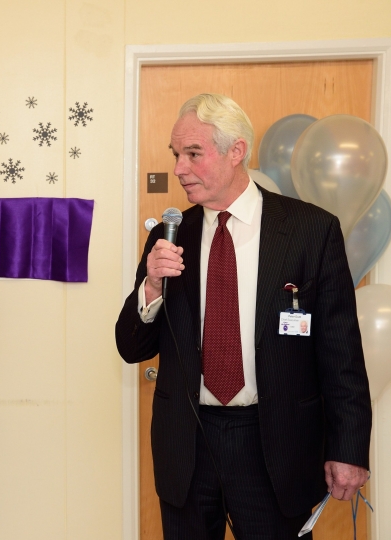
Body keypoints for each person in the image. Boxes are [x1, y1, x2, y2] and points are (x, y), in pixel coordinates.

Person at [115, 94, 371, 539]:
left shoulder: (311, 231)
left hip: (274, 444)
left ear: (236, 151)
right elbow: (131, 347)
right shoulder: (169, 236)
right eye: (177, 155)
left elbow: (341, 353)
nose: (180, 169)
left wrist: (348, 449)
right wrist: (151, 288)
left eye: (193, 153)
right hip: (188, 445)